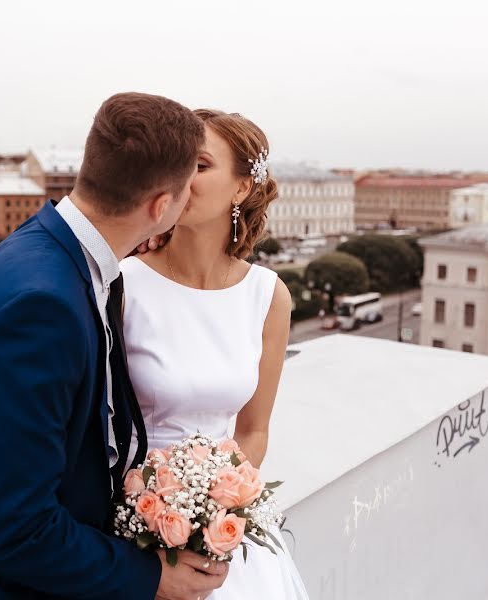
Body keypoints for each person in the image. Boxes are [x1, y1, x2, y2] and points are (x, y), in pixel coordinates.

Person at [0, 92, 229, 599]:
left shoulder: (53, 250)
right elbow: (15, 531)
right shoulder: (42, 309)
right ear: (160, 206)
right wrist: (151, 577)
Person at [122, 109, 309, 598]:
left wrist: (213, 515)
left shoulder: (268, 296)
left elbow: (254, 429)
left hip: (221, 541)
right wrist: (154, 518)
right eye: (177, 163)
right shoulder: (124, 284)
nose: (182, 178)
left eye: (200, 165)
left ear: (243, 187)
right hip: (128, 529)